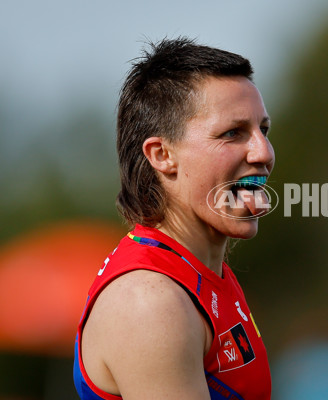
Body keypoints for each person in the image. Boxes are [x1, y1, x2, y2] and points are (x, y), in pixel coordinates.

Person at [73, 37, 274, 400]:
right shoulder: (151, 302)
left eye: (264, 130)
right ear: (163, 154)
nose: (263, 152)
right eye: (233, 133)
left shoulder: (203, 274)